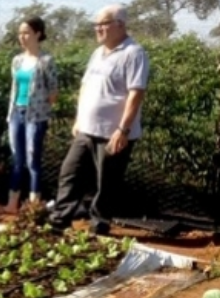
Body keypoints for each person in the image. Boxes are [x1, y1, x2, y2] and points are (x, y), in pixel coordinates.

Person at [47, 4, 149, 235]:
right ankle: (60, 220)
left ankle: (99, 225)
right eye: (96, 24)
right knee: (69, 172)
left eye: (103, 24)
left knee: (107, 183)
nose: (98, 28)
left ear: (120, 25)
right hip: (87, 129)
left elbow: (136, 93)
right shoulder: (97, 53)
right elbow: (85, 87)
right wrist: (78, 119)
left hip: (113, 132)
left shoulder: (134, 53)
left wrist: (123, 130)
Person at [4, 16, 58, 214]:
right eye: (20, 33)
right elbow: (15, 88)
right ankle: (12, 202)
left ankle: (34, 205)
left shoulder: (46, 61)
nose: (22, 37)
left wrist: (40, 107)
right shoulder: (17, 60)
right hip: (16, 112)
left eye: (26, 32)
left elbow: (53, 92)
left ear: (38, 34)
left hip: (36, 116)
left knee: (32, 160)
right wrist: (11, 114)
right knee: (17, 160)